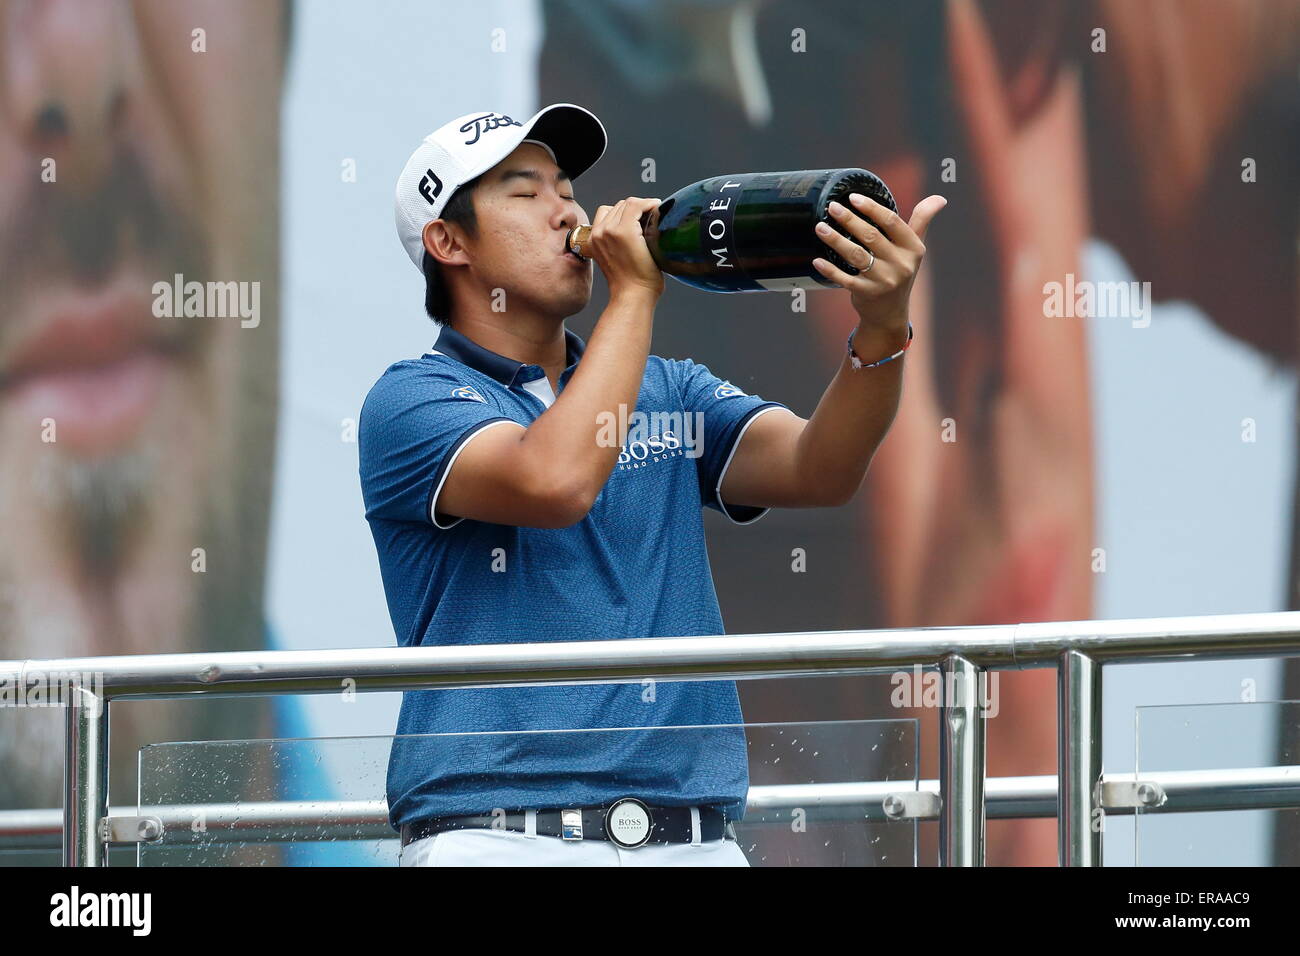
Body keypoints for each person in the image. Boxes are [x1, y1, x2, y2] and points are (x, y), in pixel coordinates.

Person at [359, 103, 944, 865]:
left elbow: (820, 467)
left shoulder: (668, 387)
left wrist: (882, 325)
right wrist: (634, 296)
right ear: (448, 241)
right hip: (498, 837)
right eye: (524, 192)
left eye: (566, 187)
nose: (566, 207)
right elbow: (555, 478)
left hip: (691, 838)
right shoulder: (411, 400)